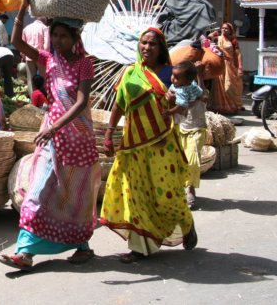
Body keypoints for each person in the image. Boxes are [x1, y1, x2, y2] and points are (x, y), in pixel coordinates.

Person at [0, 0, 100, 270]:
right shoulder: (48, 59)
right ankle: (25, 251)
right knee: (39, 189)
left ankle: (81, 245)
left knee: (73, 193)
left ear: (75, 37)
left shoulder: (84, 64)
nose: (57, 41)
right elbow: (17, 42)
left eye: (63, 36)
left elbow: (80, 103)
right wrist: (22, 7)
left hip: (77, 136)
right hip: (52, 137)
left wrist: (55, 126)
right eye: (54, 35)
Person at [100, 28, 197, 263]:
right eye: (143, 42)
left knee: (166, 195)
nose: (147, 47)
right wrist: (109, 132)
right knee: (136, 195)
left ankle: (186, 222)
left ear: (161, 48)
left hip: (162, 143)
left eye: (152, 44)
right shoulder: (130, 73)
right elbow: (119, 105)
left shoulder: (170, 73)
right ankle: (141, 247)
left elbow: (187, 103)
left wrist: (173, 105)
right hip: (133, 144)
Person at [165, 61, 208, 208]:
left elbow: (203, 96)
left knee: (192, 159)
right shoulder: (175, 87)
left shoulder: (195, 87)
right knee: (179, 161)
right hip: (180, 127)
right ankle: (181, 189)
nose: (173, 79)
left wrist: (200, 77)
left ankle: (190, 189)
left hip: (197, 128)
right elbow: (172, 103)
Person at [209, 22, 243, 114]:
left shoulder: (233, 40)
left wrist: (240, 67)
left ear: (230, 31)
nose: (223, 30)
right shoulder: (218, 38)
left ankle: (233, 105)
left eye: (226, 29)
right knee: (220, 86)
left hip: (230, 65)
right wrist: (211, 34)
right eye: (222, 28)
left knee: (230, 86)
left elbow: (238, 54)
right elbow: (207, 41)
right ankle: (223, 107)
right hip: (220, 64)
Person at [22, 17, 50, 94]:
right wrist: (46, 57)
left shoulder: (26, 28)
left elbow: (22, 45)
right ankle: (44, 99)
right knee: (43, 79)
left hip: (29, 56)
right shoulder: (44, 28)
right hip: (41, 56)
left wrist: (23, 56)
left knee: (31, 80)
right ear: (45, 20)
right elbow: (46, 45)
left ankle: (33, 100)